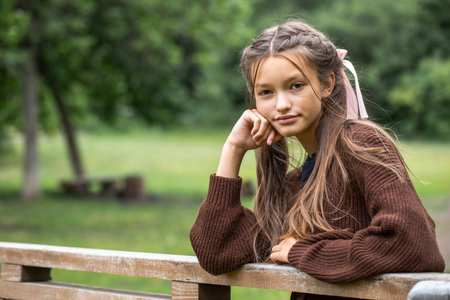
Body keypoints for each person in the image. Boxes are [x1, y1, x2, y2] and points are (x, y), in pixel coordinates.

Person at [189, 20, 445, 300]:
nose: (282, 104)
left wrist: (303, 251)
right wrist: (233, 149)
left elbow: (413, 244)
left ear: (326, 83)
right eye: (266, 92)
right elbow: (217, 253)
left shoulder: (361, 146)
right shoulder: (295, 184)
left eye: (295, 86)